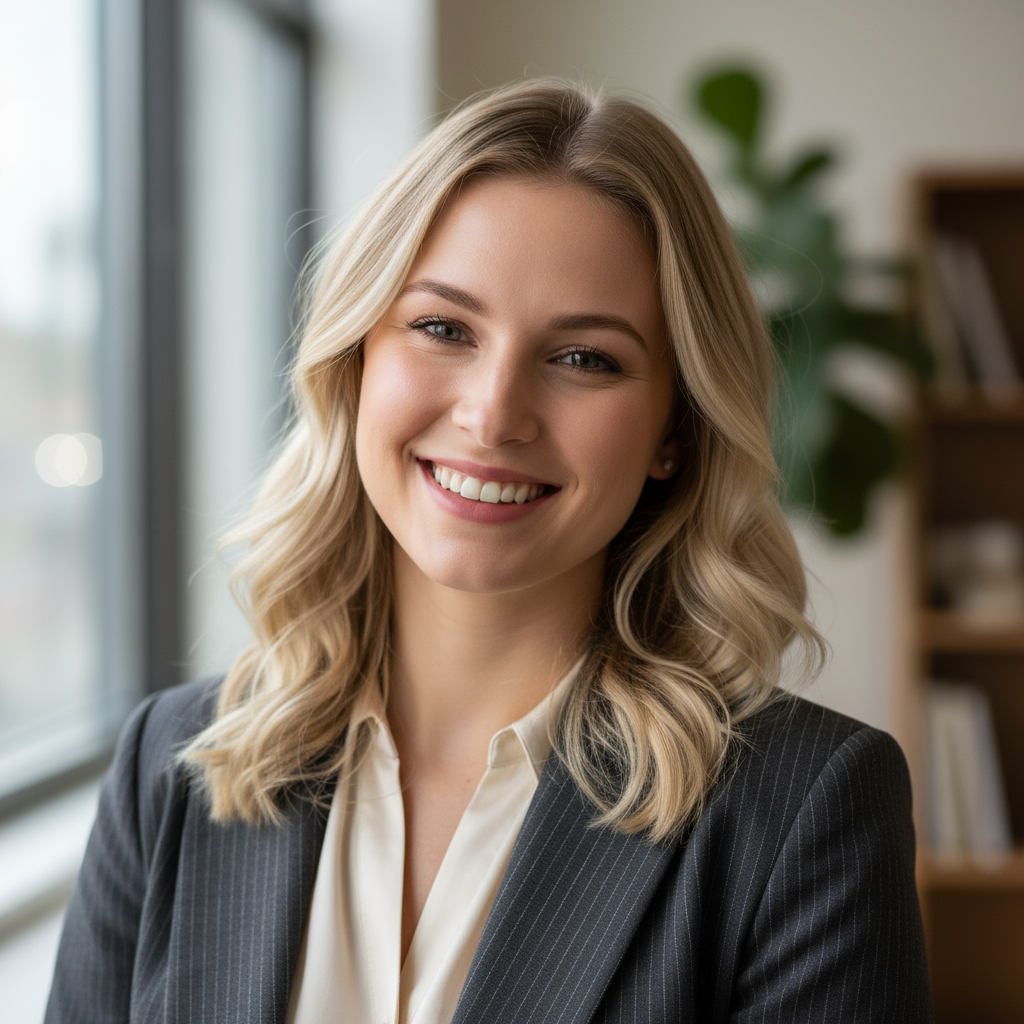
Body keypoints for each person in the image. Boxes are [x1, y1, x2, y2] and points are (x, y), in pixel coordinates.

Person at [46, 80, 932, 1023]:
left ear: (675, 429)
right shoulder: (168, 769)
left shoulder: (803, 810)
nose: (493, 414)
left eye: (585, 358)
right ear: (355, 362)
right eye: (442, 329)